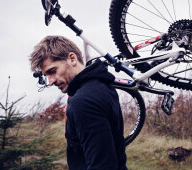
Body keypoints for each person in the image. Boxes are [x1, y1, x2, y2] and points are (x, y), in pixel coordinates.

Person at [29, 35, 128, 170]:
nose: (51, 81)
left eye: (52, 71)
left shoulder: (83, 101)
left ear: (72, 59)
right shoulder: (101, 86)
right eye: (47, 76)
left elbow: (102, 165)